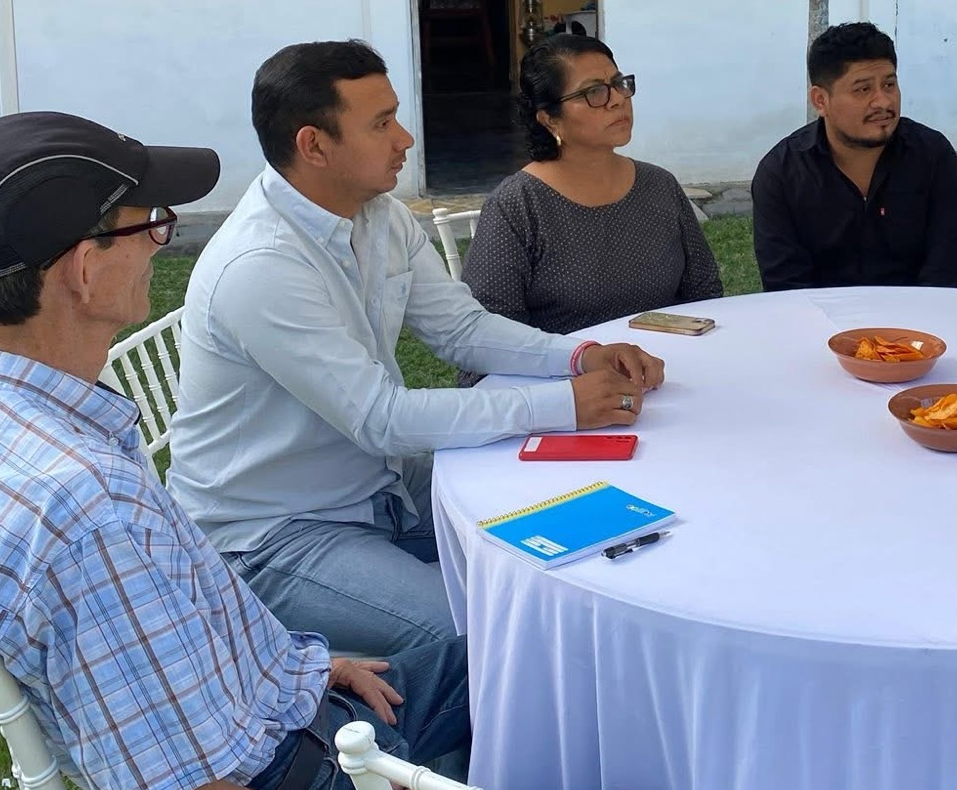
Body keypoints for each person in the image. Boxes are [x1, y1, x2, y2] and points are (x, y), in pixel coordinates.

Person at [0, 112, 681, 790]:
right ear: (83, 268)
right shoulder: (81, 505)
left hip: (299, 717)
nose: (161, 247)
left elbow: (154, 631)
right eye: (151, 225)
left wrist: (298, 668)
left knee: (561, 649)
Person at [167, 40, 666, 657]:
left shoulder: (378, 214)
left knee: (596, 530)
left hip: (383, 486)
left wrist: (578, 356)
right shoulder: (262, 265)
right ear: (314, 146)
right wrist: (564, 404)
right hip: (275, 533)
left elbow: (461, 329)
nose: (405, 139)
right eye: (381, 124)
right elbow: (382, 419)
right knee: (489, 639)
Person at [463, 34, 722, 336]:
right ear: (549, 119)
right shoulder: (517, 206)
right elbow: (491, 335)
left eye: (619, 84)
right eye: (593, 92)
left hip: (668, 360)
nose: (617, 100)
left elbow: (704, 292)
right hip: (567, 365)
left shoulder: (659, 185)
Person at [750, 21, 957, 292]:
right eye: (863, 89)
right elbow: (787, 290)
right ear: (820, 101)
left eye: (889, 84)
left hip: (919, 316)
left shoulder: (932, 156)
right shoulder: (782, 174)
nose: (883, 102)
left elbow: (948, 276)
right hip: (817, 317)